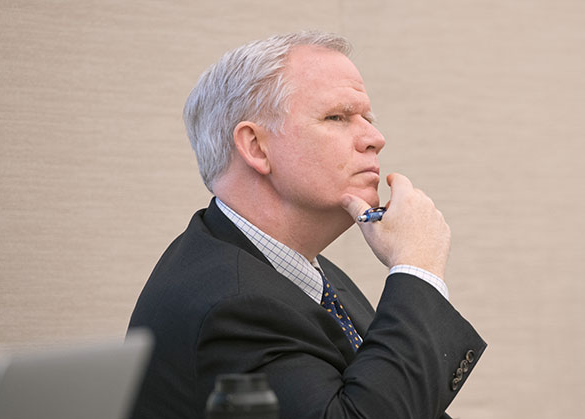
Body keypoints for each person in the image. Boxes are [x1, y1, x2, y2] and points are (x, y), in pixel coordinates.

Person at [128, 31, 486, 419]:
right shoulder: (229, 304)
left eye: (368, 118)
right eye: (337, 117)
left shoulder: (307, 273)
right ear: (256, 147)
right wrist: (418, 269)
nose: (375, 138)